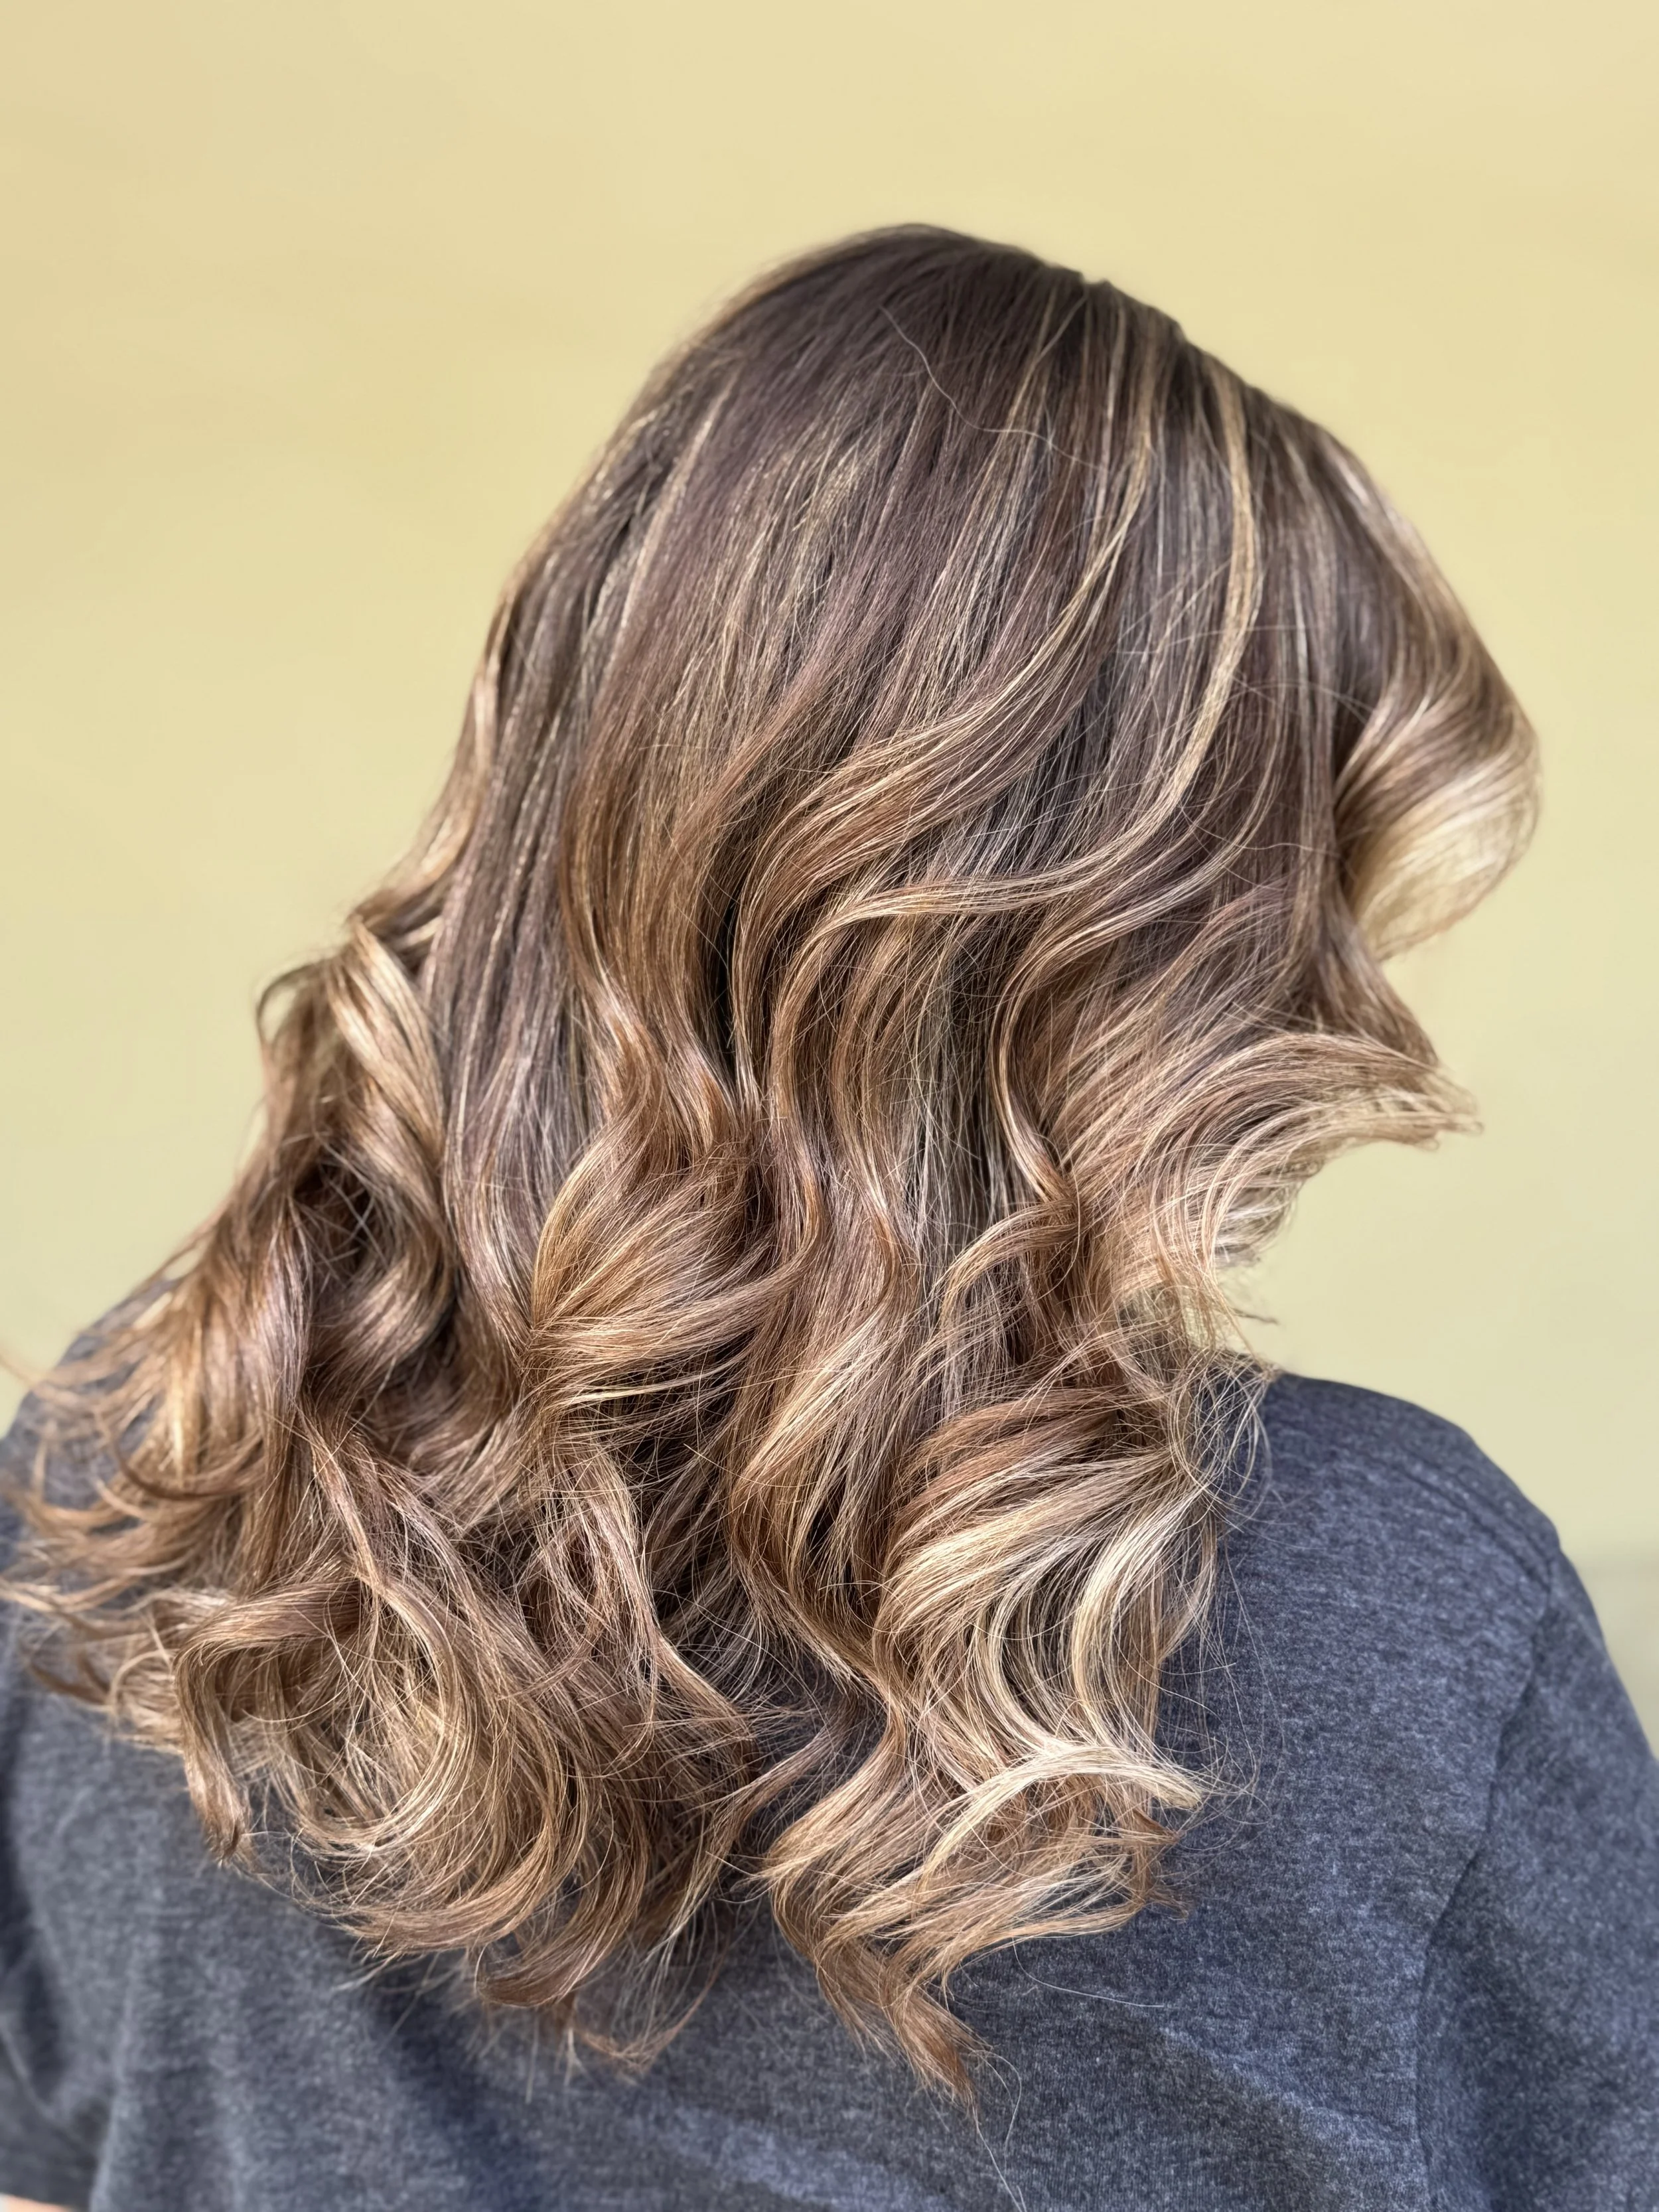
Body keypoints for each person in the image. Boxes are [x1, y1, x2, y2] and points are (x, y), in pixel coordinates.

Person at [0, 226, 1652, 2212]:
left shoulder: (124, 1498)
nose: (1358, 1020)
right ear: (1125, 952)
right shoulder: (1387, 1623)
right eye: (1303, 914)